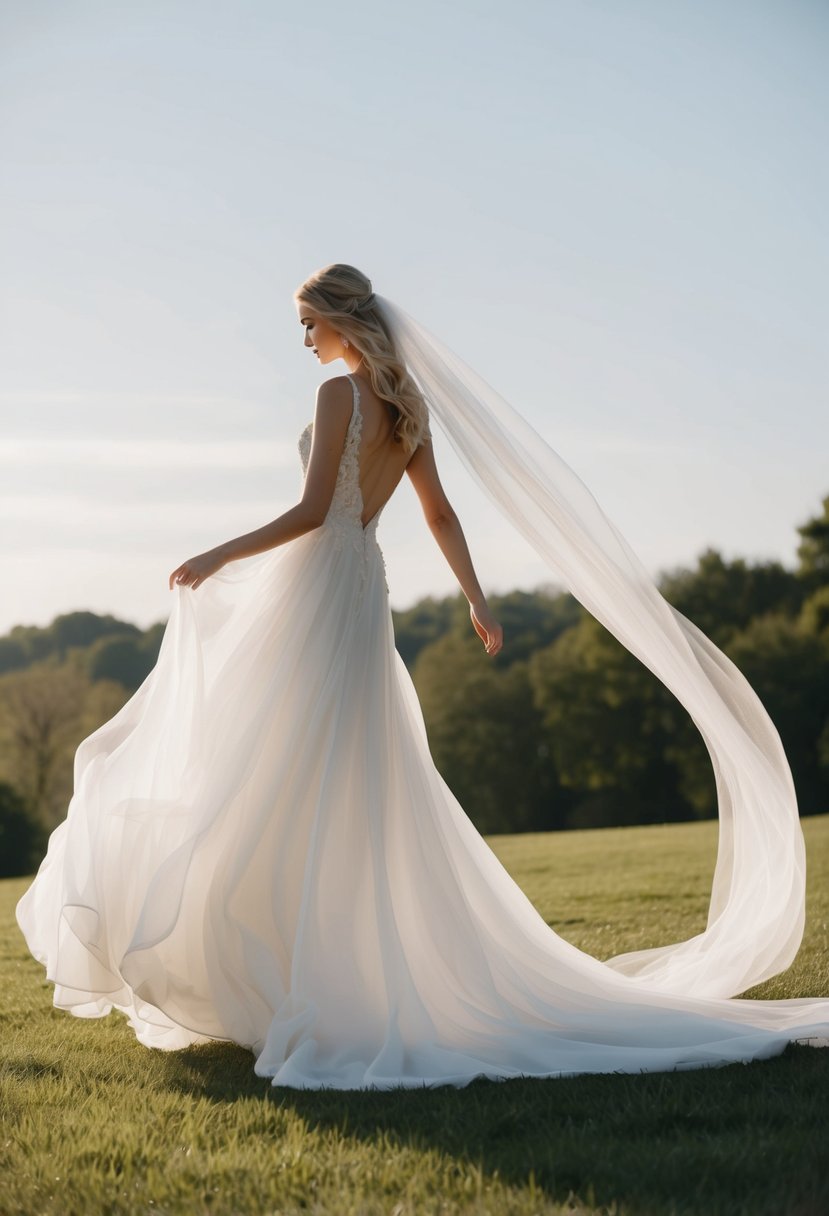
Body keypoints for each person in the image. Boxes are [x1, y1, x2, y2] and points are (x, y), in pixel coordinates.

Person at [16, 263, 829, 1091]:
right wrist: (476, 598)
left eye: (309, 324)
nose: (305, 340)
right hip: (362, 590)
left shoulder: (341, 396)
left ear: (341, 322)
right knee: (324, 771)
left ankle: (280, 971)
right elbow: (438, 512)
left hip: (315, 584)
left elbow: (309, 514)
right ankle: (298, 972)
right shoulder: (409, 409)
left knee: (263, 759)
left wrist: (216, 552)